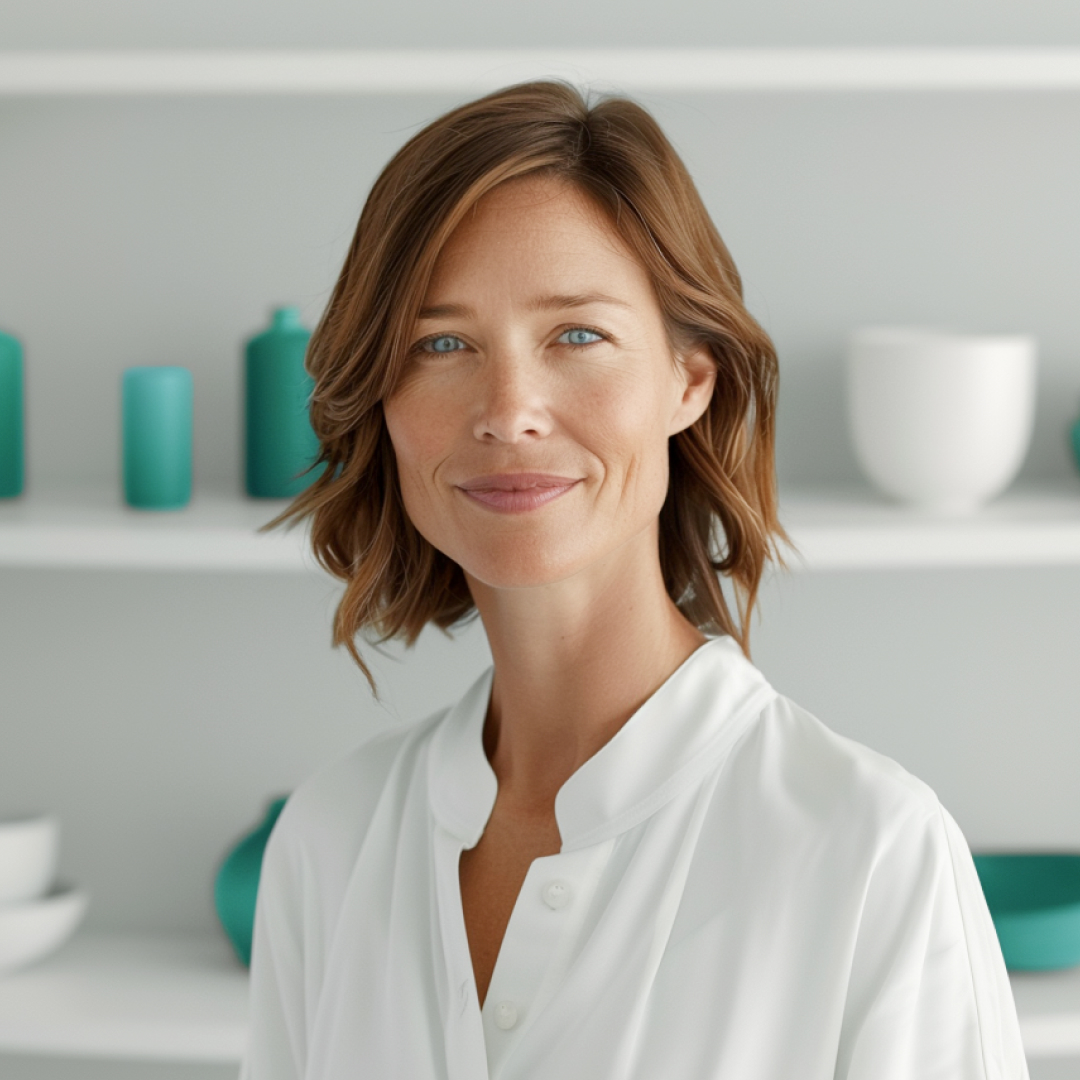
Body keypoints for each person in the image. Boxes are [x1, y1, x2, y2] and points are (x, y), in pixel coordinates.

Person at [241, 79, 1028, 1079]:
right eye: (442, 344)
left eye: (576, 334)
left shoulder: (871, 854)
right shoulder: (331, 842)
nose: (509, 409)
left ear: (688, 379)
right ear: (382, 402)